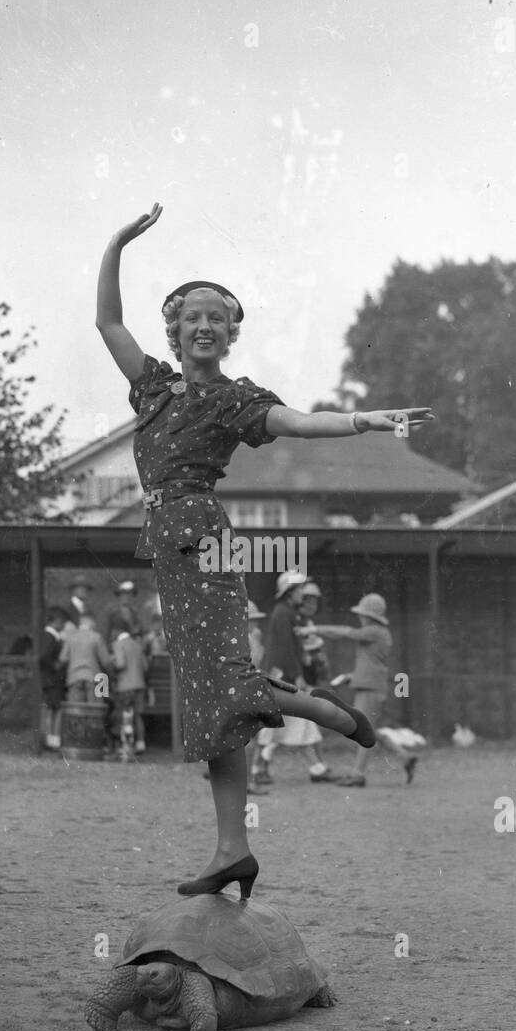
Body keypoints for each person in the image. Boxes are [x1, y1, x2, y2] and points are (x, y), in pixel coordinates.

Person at [95, 201, 433, 897]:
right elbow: (106, 322)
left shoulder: (234, 399)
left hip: (205, 541)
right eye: (192, 315)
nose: (204, 324)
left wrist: (364, 420)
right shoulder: (153, 388)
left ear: (229, 334)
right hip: (167, 547)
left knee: (222, 687)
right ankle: (231, 850)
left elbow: (301, 422)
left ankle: (329, 714)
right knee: (210, 705)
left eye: (217, 317)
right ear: (175, 328)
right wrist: (116, 244)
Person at [311, 593, 406, 787]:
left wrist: (314, 629)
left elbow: (347, 633)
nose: (359, 617)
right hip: (369, 685)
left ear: (369, 616)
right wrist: (351, 677)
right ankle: (406, 757)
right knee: (369, 729)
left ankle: (358, 774)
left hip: (370, 688)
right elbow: (373, 664)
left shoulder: (375, 631)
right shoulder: (377, 633)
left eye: (362, 614)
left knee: (364, 729)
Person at [253, 572, 334, 785]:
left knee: (288, 725)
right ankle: (260, 769)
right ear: (289, 592)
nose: (303, 594)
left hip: (283, 677)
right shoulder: (283, 613)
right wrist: (297, 675)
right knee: (285, 726)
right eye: (299, 590)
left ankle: (261, 769)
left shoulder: (289, 613)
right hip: (282, 678)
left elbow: (293, 649)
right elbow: (284, 650)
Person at [59, 610, 112, 704]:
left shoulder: (71, 637)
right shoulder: (96, 637)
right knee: (96, 710)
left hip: (74, 678)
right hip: (94, 677)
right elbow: (106, 661)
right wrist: (111, 676)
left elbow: (62, 658)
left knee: (76, 711)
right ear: (91, 621)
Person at [111, 627, 149, 754]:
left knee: (126, 716)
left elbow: (120, 664)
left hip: (125, 686)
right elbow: (145, 666)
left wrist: (113, 663)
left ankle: (127, 745)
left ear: (116, 632)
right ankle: (141, 743)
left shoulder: (118, 644)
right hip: (140, 685)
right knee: (138, 716)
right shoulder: (138, 645)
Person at [39, 605, 70, 750]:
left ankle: (52, 740)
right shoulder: (49, 636)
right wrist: (55, 665)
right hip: (52, 679)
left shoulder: (51, 636)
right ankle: (51, 741)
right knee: (53, 709)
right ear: (57, 621)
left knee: (53, 708)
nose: (63, 626)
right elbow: (44, 655)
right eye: (63, 622)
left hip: (51, 680)